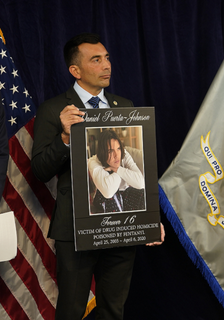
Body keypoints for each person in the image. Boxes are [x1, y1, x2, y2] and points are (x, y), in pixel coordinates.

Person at [31, 33, 163, 320]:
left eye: (107, 58)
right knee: (71, 310)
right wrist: (65, 137)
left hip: (122, 226)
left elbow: (142, 172)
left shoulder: (125, 107)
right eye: (96, 60)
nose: (107, 65)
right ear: (75, 71)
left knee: (113, 310)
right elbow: (40, 170)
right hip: (76, 229)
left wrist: (151, 218)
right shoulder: (54, 110)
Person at [89, 129, 145, 214]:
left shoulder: (124, 154)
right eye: (110, 151)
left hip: (124, 194)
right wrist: (119, 172)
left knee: (143, 193)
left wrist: (117, 169)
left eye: (118, 148)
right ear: (102, 152)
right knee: (112, 196)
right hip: (104, 199)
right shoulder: (94, 162)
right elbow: (108, 192)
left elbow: (141, 183)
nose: (116, 155)